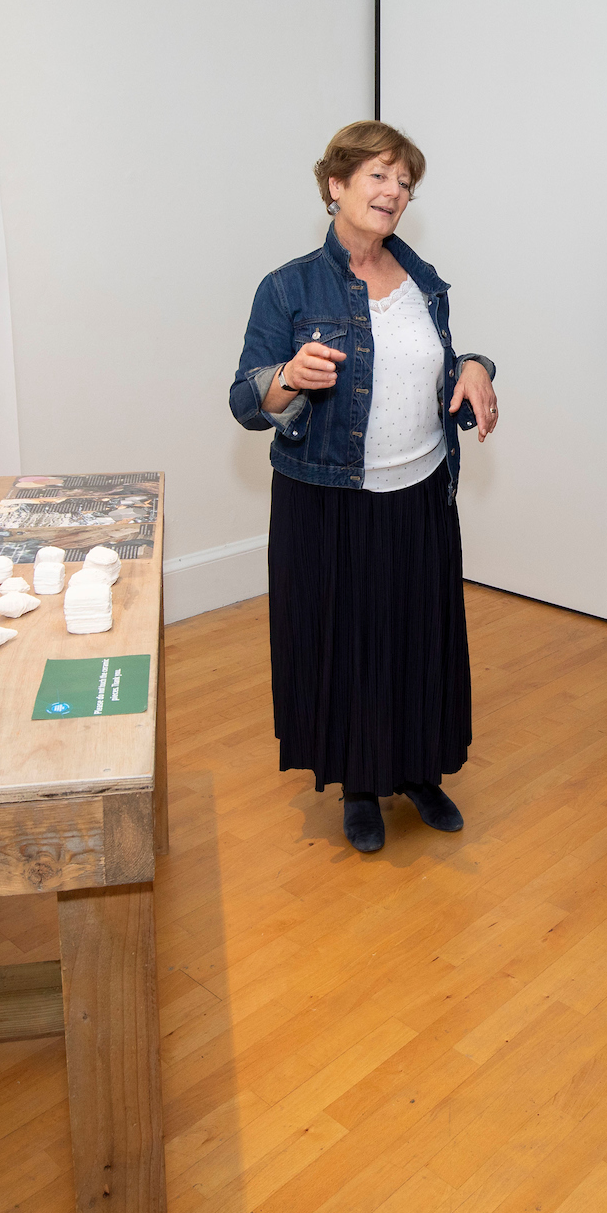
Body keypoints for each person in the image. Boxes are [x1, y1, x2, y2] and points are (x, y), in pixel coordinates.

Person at [228, 121, 499, 853]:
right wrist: (287, 378)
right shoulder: (287, 286)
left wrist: (475, 364)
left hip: (420, 491)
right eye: (378, 176)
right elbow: (246, 400)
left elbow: (433, 362)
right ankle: (358, 783)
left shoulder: (423, 279)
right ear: (335, 186)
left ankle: (417, 770)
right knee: (345, 641)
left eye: (404, 182)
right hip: (328, 496)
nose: (394, 192)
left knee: (418, 634)